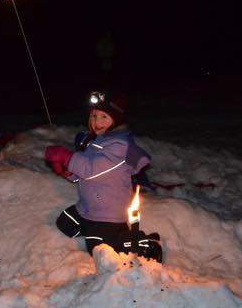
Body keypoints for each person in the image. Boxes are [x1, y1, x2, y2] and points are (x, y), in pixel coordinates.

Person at [44, 91, 162, 262]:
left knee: (98, 249)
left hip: (108, 214)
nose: (96, 122)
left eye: (104, 117)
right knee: (65, 223)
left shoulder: (120, 146)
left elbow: (92, 170)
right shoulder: (96, 142)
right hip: (88, 208)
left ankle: (143, 244)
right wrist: (69, 172)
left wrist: (66, 157)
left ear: (117, 121)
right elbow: (85, 175)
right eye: (93, 115)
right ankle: (96, 231)